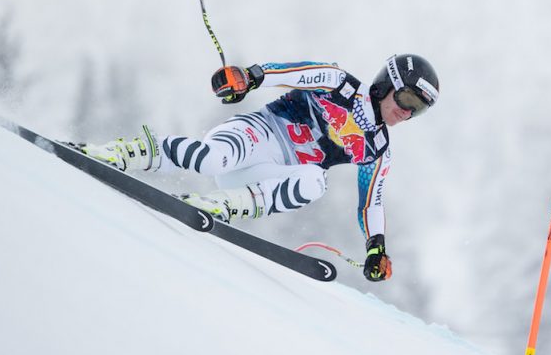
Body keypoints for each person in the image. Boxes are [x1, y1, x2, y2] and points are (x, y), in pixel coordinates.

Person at [79, 54, 440, 282]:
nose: (407, 113)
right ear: (385, 86)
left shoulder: (377, 149)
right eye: (407, 99)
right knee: (211, 159)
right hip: (258, 133)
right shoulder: (338, 84)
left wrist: (376, 246)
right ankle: (129, 152)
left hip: (270, 173)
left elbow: (370, 203)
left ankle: (226, 205)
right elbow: (294, 73)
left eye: (418, 110)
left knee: (316, 181)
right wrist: (248, 77)